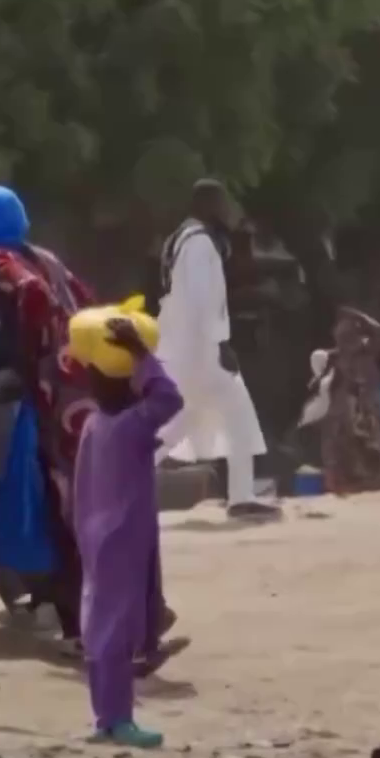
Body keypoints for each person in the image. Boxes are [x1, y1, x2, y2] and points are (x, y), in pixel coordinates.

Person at [0, 185, 97, 646]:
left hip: (49, 398)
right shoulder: (44, 257)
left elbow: (31, 293)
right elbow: (86, 300)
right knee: (80, 504)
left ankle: (82, 627)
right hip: (81, 390)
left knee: (58, 510)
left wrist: (30, 358)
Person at [73, 318, 185, 750]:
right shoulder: (129, 427)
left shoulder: (94, 425)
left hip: (94, 536)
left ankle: (106, 718)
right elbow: (170, 398)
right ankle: (118, 720)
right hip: (123, 539)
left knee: (102, 626)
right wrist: (142, 354)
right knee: (116, 632)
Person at [155, 180, 278, 521]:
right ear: (207, 204)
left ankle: (123, 476)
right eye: (222, 203)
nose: (227, 210)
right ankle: (241, 497)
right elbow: (202, 300)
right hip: (200, 350)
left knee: (181, 420)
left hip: (184, 348)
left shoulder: (182, 238)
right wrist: (219, 343)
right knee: (237, 413)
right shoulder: (199, 243)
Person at [321, 307, 380, 495]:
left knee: (376, 436)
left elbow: (379, 331)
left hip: (369, 400)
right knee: (337, 434)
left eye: (347, 335)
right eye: (340, 336)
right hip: (347, 401)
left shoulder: (368, 351)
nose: (343, 340)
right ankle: (340, 478)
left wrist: (359, 316)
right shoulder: (335, 357)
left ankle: (378, 478)